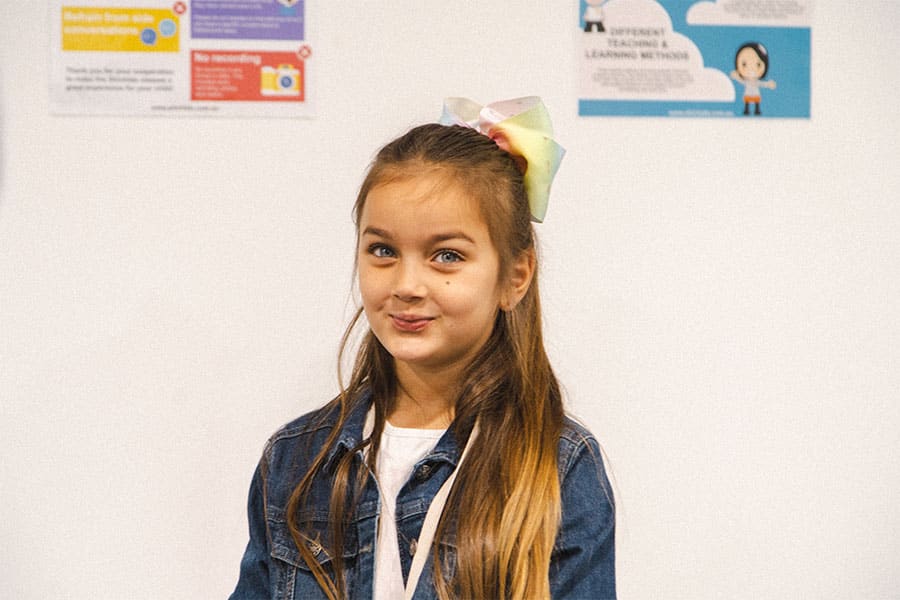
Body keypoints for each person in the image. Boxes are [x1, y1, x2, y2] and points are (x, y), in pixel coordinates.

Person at [230, 97, 616, 600]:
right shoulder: (294, 460)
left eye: (446, 256)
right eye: (383, 250)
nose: (407, 284)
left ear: (514, 276)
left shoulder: (559, 466)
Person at [730, 42, 777, 116]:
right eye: (744, 64)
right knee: (747, 100)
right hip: (748, 92)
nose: (751, 69)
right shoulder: (746, 81)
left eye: (758, 65)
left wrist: (768, 84)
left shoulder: (756, 82)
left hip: (755, 92)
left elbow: (762, 84)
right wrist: (736, 77)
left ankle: (757, 109)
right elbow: (741, 81)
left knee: (756, 100)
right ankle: (747, 109)